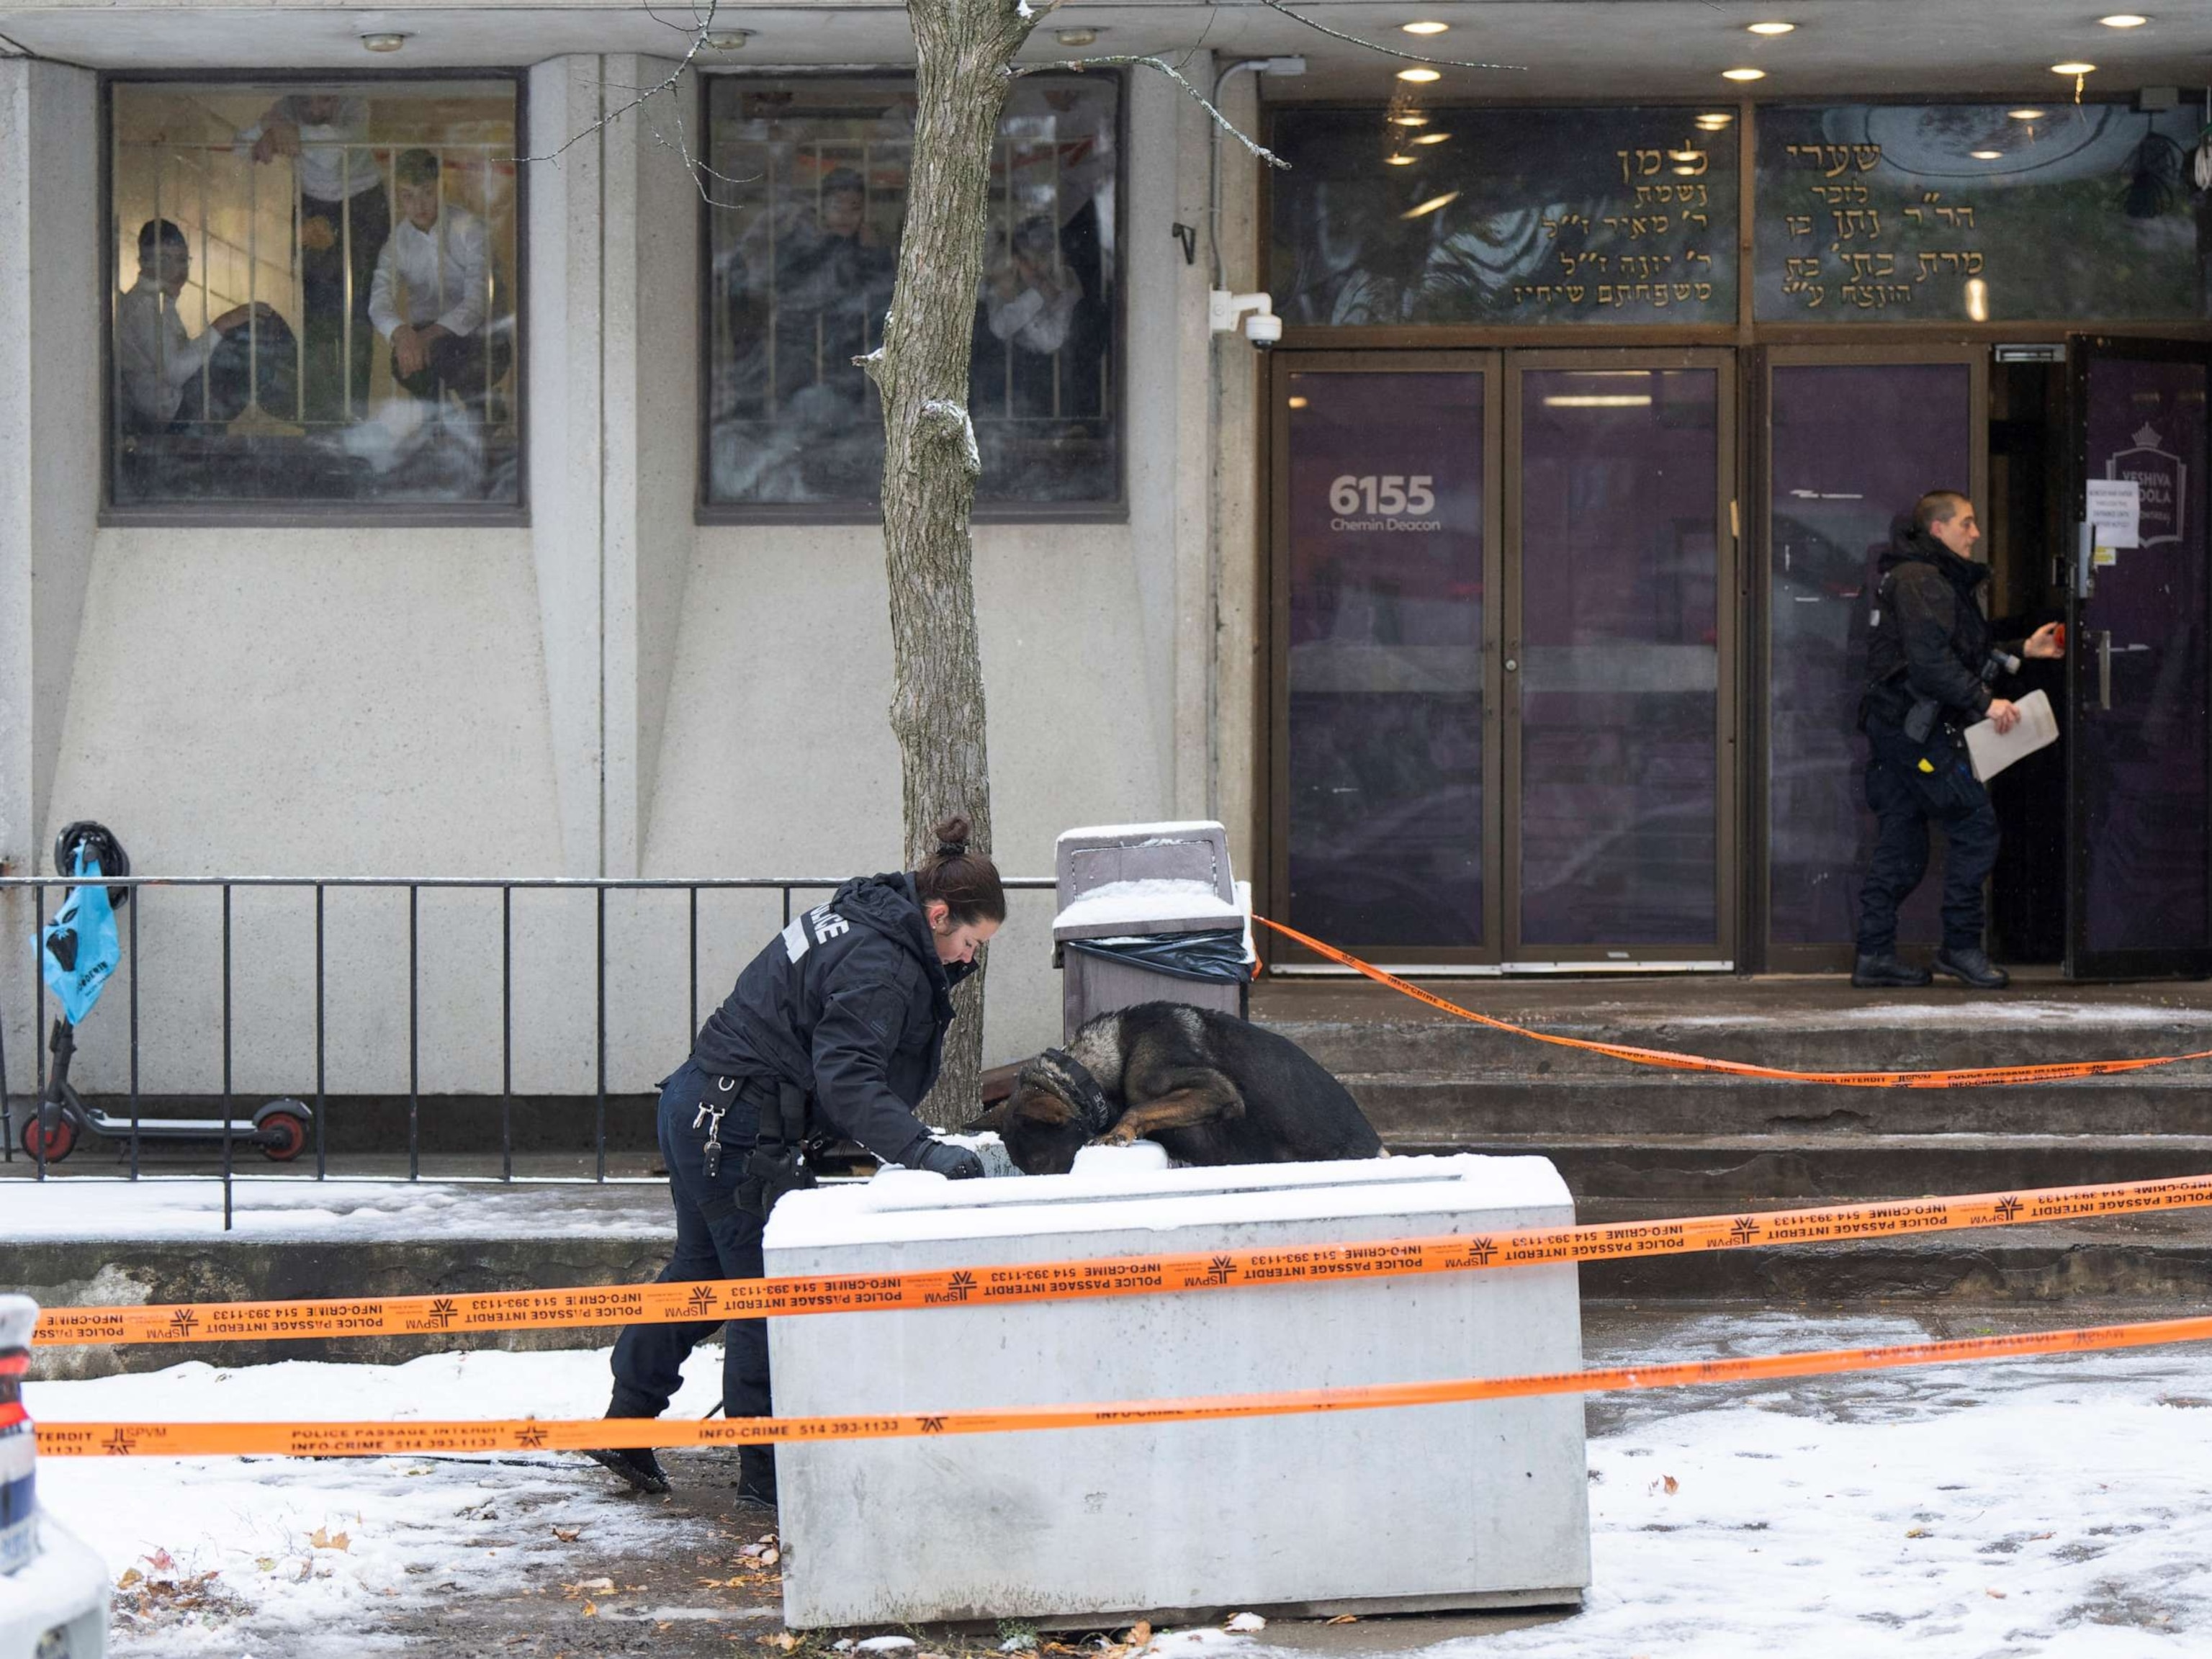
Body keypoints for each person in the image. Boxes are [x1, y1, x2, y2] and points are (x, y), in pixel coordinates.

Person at [588, 818, 1002, 1504]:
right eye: (969, 941)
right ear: (937, 915)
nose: (967, 959)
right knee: (766, 1300)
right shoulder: (882, 963)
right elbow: (848, 1078)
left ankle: (624, 1423)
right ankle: (768, 1474)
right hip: (734, 1127)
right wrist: (924, 1151)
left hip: (700, 1103)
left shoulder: (865, 912)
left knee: (704, 1274)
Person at [1852, 491, 2062, 990]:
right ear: (1939, 529)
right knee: (1974, 824)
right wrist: (1985, 702)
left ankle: (1874, 955)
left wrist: (2019, 651)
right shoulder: (1922, 579)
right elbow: (1931, 664)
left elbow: (1962, 649)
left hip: (1900, 733)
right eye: (1966, 523)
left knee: (1902, 844)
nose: (1975, 533)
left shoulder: (1925, 578)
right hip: (1914, 735)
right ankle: (1961, 948)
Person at [237, 93, 388, 424]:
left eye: (326, 102)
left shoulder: (357, 103)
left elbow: (334, 151)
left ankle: (355, 416)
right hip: (314, 205)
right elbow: (240, 145)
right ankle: (323, 416)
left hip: (364, 205)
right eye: (308, 105)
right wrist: (273, 126)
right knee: (317, 314)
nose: (316, 111)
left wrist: (284, 131)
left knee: (358, 314)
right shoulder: (285, 112)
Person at [366, 149, 507, 417]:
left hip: (484, 340)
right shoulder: (397, 244)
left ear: (441, 188)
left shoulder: (471, 229)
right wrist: (402, 335)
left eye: (427, 193)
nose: (419, 205)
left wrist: (421, 339)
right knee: (403, 359)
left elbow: (476, 304)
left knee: (439, 351)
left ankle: (476, 413)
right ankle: (443, 422)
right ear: (399, 197)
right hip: (428, 341)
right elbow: (379, 301)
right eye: (408, 195)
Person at [114, 219, 282, 432]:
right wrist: (224, 323)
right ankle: (291, 397)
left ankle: (288, 394)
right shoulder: (142, 307)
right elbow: (175, 373)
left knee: (256, 323)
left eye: (183, 260)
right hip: (172, 416)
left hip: (176, 407)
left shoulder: (158, 302)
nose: (177, 269)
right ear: (144, 262)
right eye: (165, 260)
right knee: (249, 329)